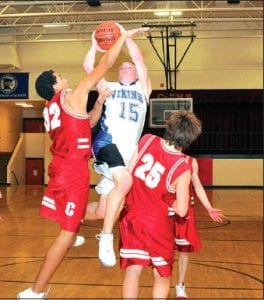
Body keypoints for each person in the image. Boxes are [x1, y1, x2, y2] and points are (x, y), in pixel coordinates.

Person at [17, 26, 149, 299]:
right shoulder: (74, 94)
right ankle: (36, 291)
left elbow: (88, 122)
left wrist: (99, 101)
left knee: (101, 212)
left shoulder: (54, 105)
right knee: (65, 238)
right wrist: (121, 38)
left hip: (61, 167)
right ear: (55, 85)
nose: (64, 78)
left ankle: (74, 225)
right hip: (72, 171)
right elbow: (105, 64)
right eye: (59, 77)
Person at [78, 23, 152, 267]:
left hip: (129, 153)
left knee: (102, 211)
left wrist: (126, 36)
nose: (125, 67)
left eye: (128, 66)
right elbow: (89, 67)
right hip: (106, 143)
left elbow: (139, 59)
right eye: (121, 66)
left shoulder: (144, 89)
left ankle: (70, 218)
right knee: (125, 182)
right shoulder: (109, 87)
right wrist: (93, 44)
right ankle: (106, 237)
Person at [119, 110, 202, 299]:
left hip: (132, 217)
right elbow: (181, 211)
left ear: (169, 127)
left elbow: (128, 172)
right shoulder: (182, 167)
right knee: (161, 275)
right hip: (158, 224)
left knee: (133, 271)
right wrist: (169, 199)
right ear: (190, 138)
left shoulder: (147, 140)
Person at [174, 157, 224, 299]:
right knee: (162, 250)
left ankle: (180, 285)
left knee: (184, 251)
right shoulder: (161, 157)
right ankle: (161, 283)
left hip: (185, 211)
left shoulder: (190, 161)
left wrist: (208, 207)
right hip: (165, 210)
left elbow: (197, 185)